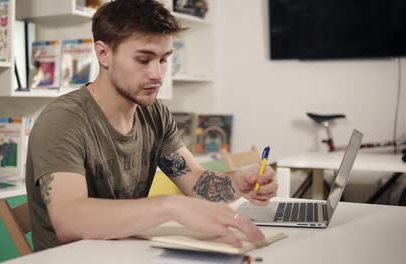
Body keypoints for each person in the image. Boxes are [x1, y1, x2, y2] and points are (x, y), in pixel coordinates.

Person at [26, 0, 277, 252]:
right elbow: (69, 220)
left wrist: (238, 183)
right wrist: (170, 206)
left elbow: (197, 182)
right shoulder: (62, 120)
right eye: (144, 60)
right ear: (104, 54)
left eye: (164, 60)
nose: (157, 74)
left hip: (127, 252)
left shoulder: (154, 113)